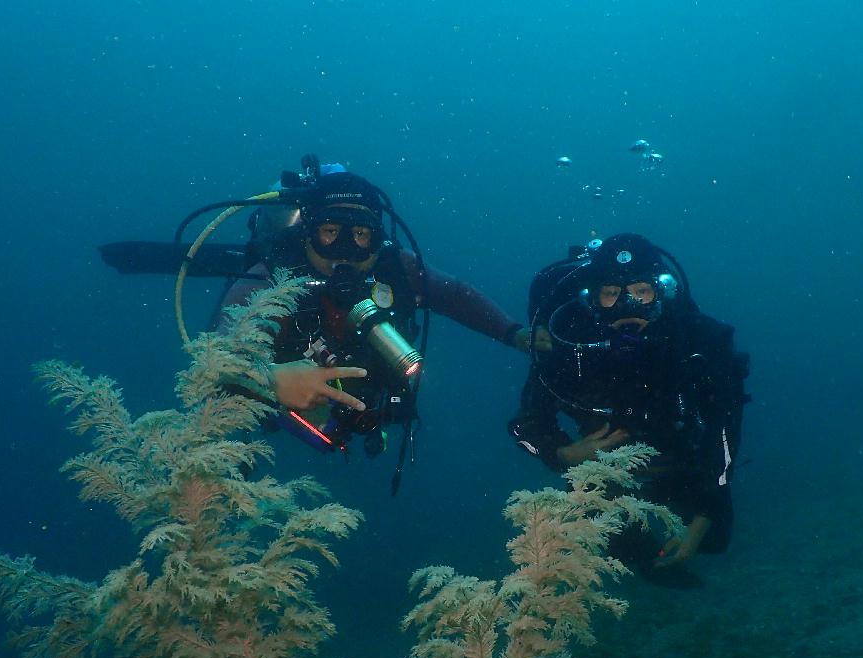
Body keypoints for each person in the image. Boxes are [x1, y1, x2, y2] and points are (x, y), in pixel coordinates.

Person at [216, 163, 529, 473]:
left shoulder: (397, 269)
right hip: (288, 414)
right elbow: (218, 359)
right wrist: (268, 381)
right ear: (307, 234)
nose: (345, 249)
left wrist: (514, 332)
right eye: (330, 231)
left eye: (361, 234)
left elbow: (455, 295)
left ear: (378, 240)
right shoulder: (267, 282)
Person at [508, 233, 749, 578]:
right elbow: (525, 425)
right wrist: (563, 454)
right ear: (592, 299)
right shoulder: (567, 346)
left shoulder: (697, 342)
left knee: (714, 539)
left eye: (641, 292)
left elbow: (724, 426)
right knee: (621, 552)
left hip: (679, 461)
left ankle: (687, 523)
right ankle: (646, 566)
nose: (627, 306)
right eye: (611, 294)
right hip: (604, 471)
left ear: (660, 293)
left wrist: (705, 514)